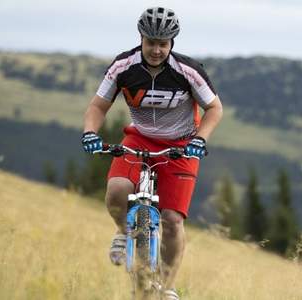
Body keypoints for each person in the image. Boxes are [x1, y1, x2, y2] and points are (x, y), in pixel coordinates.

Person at [81, 6, 223, 299]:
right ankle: (124, 231)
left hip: (181, 145)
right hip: (140, 138)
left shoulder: (188, 71)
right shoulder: (123, 67)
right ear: (141, 39)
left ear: (172, 43)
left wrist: (200, 139)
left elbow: (214, 108)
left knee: (172, 220)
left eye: (163, 43)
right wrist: (90, 133)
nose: (157, 50)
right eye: (151, 42)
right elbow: (98, 106)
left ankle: (167, 285)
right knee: (117, 190)